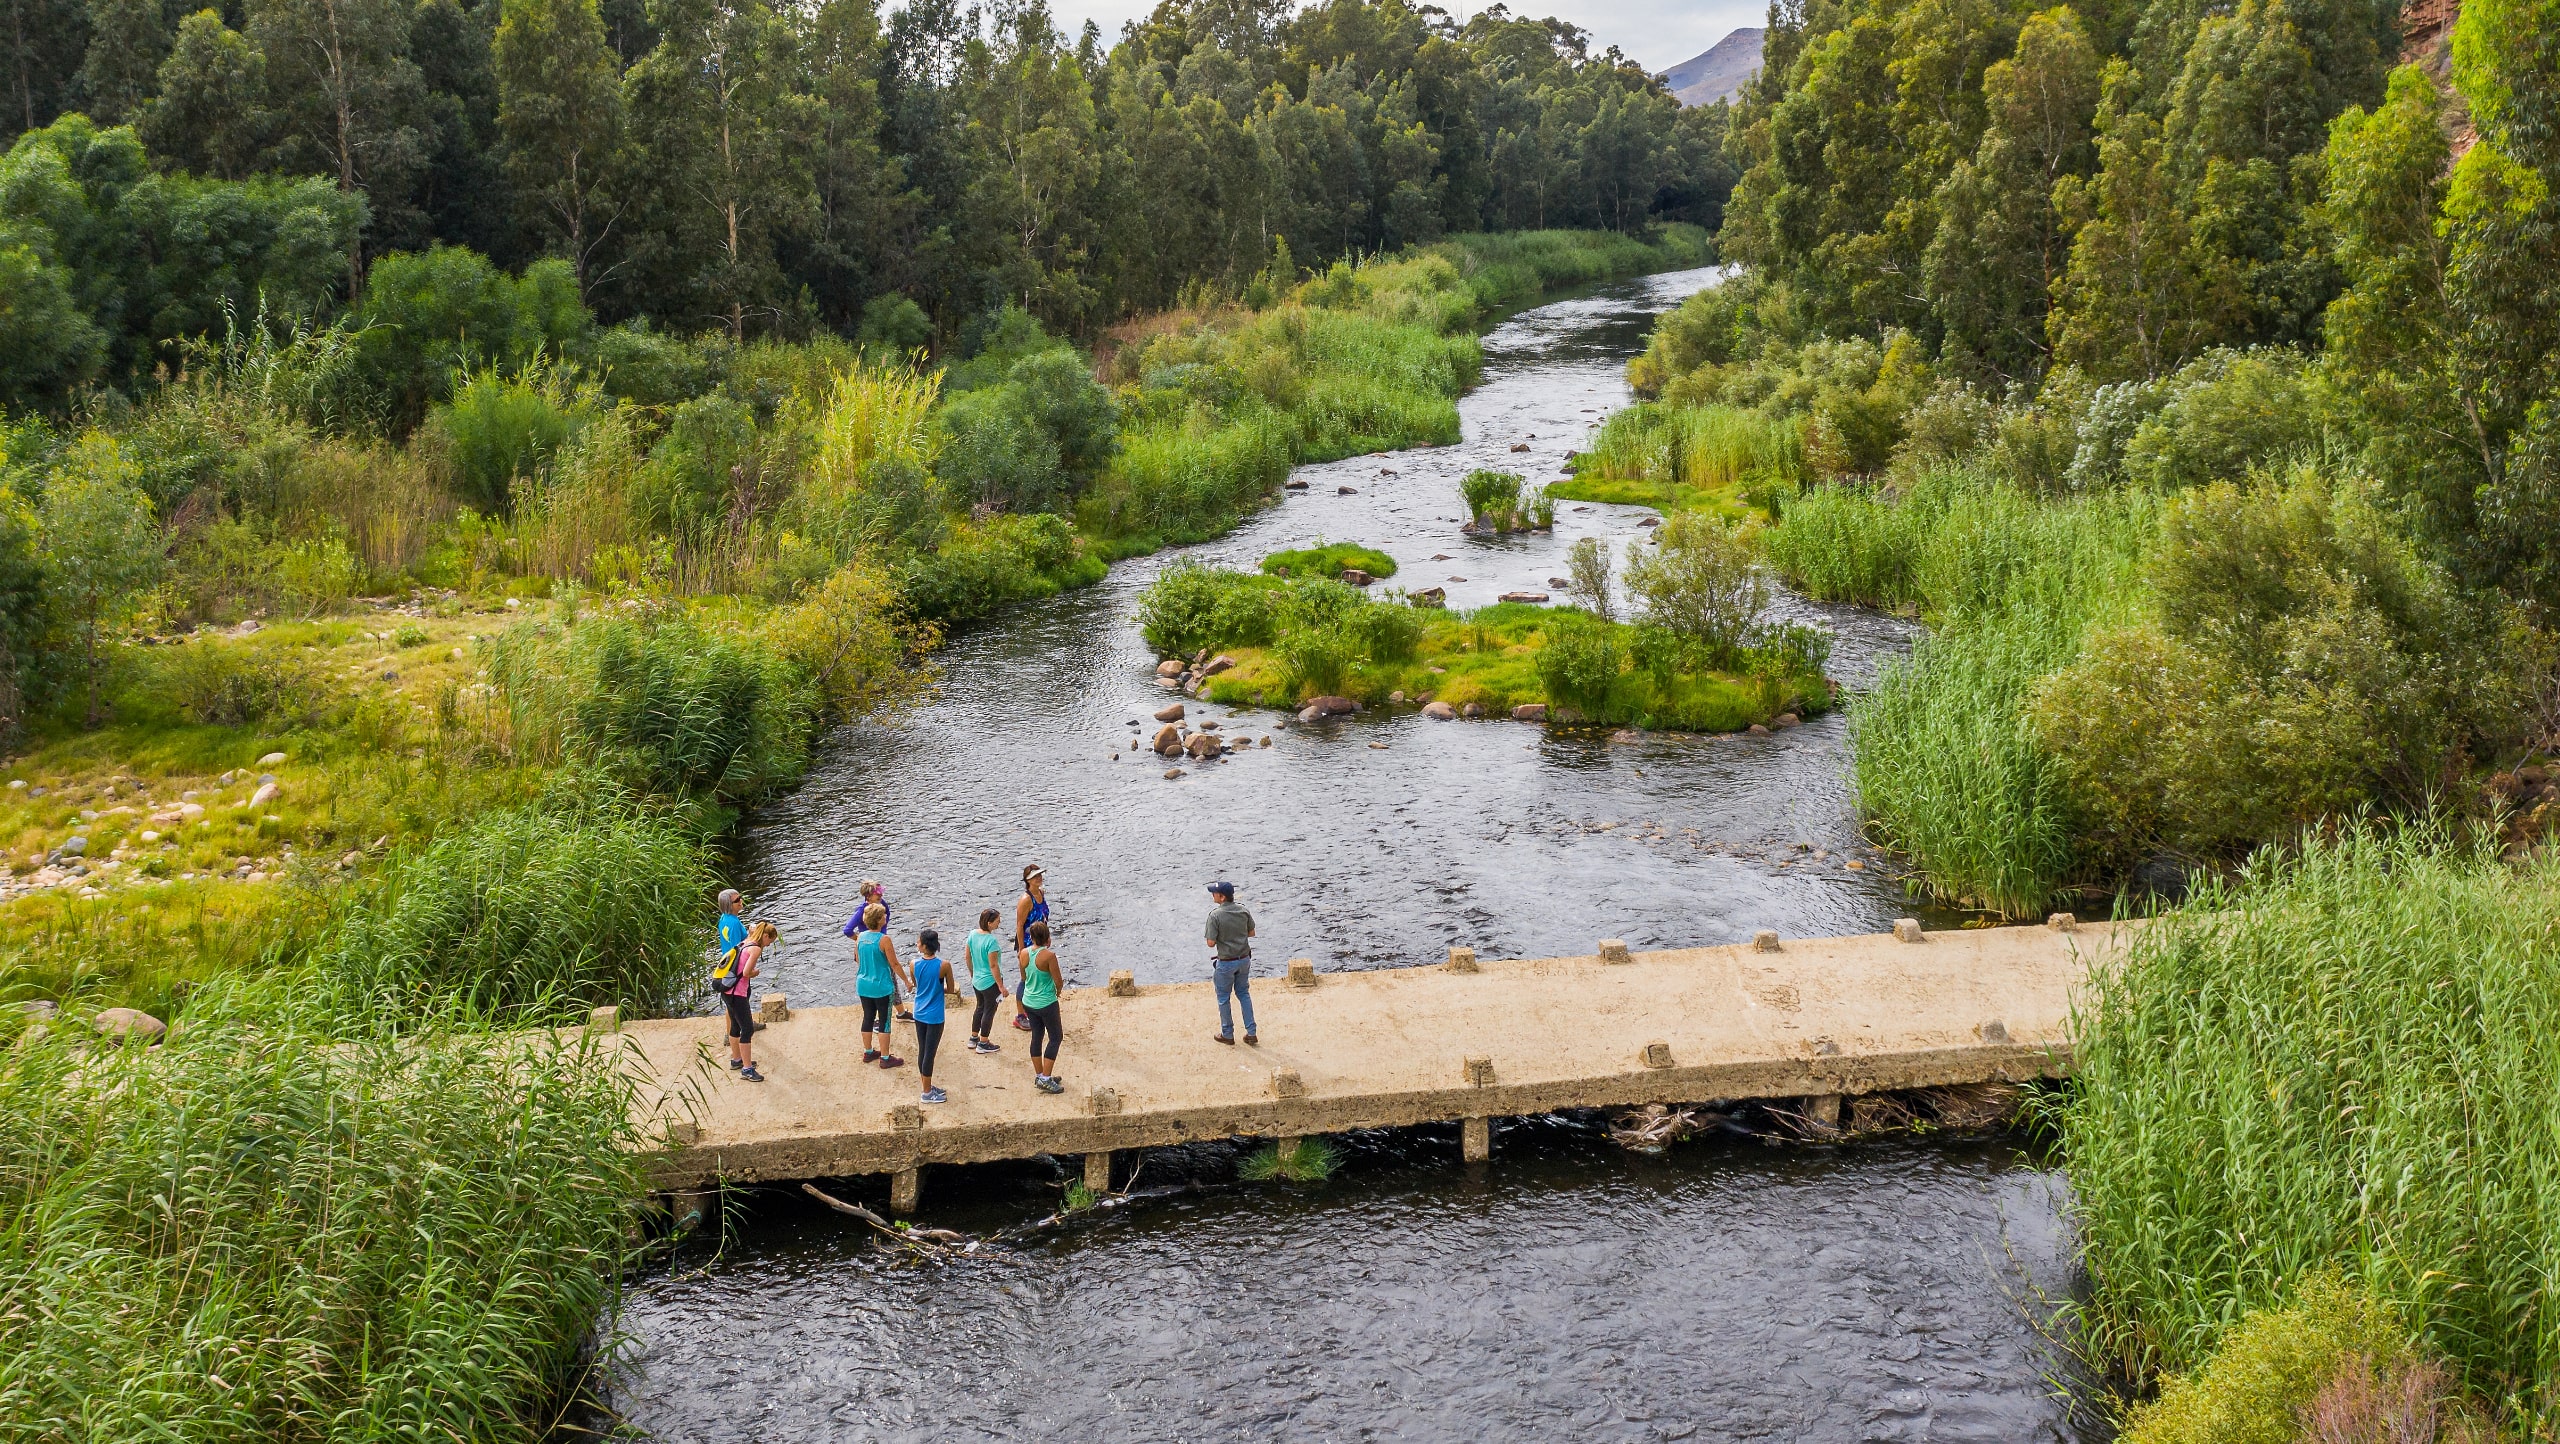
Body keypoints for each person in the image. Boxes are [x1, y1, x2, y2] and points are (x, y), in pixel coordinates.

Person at [853, 902, 912, 1069]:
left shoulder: (859, 938)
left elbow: (857, 960)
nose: (886, 916)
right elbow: (894, 964)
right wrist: (906, 981)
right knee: (885, 1021)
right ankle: (885, 1058)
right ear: (879, 920)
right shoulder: (884, 939)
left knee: (868, 1017)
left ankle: (868, 1051)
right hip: (881, 986)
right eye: (884, 915)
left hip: (863, 984)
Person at [1204, 880, 1258, 1046]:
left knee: (1223, 998)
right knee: (1243, 993)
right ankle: (1251, 1032)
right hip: (1244, 959)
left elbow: (1211, 943)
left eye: (1214, 893)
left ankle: (1227, 1034)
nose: (1212, 895)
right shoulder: (1243, 910)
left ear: (1222, 897)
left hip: (1226, 962)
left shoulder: (1215, 915)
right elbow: (1252, 932)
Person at [721, 921, 775, 1082]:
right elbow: (746, 972)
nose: (769, 944)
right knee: (747, 1029)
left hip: (727, 990)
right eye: (769, 941)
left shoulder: (746, 942)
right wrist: (755, 972)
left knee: (735, 1026)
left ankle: (736, 1059)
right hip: (738, 993)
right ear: (765, 936)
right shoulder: (756, 949)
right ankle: (747, 1069)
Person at [1020, 919, 1065, 1094]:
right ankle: (1045, 1078)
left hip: (1028, 1001)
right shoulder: (1049, 956)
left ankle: (1040, 1075)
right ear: (1047, 938)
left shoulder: (1023, 953)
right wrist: (1057, 992)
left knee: (1037, 1036)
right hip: (1046, 1002)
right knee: (1055, 1037)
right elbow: (1058, 981)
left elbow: (1023, 977)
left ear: (1031, 937)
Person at [910, 928, 950, 1103]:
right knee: (930, 1053)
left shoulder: (913, 964)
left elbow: (916, 983)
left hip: (919, 1011)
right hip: (935, 1015)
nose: (917, 944)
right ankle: (926, 1092)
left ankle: (926, 1085)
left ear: (925, 946)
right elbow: (950, 988)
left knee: (923, 1049)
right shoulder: (944, 965)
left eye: (919, 942)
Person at [1011, 864, 1049, 1033]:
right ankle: (1020, 1015)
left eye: (1039, 875)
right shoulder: (1026, 900)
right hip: (1027, 943)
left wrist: (1047, 936)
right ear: (1027, 881)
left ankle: (1033, 1009)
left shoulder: (1041, 893)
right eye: (1035, 877)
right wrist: (1021, 949)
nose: (1039, 879)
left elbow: (1043, 917)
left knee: (1039, 975)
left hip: (1040, 941)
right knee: (1025, 978)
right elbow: (1019, 925)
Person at [966, 907, 1008, 1054]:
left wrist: (972, 973)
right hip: (990, 982)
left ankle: (973, 1037)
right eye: (997, 921)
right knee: (989, 1011)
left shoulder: (972, 935)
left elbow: (968, 957)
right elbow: (993, 965)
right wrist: (1001, 986)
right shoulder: (992, 941)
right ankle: (983, 1042)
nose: (999, 923)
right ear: (989, 923)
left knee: (979, 1007)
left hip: (977, 980)